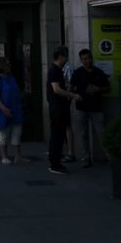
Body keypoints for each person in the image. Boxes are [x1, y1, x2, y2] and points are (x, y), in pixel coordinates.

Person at [72, 49, 111, 168]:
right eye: (85, 59)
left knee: (102, 132)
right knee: (82, 133)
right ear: (81, 60)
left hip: (96, 108)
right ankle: (86, 158)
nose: (88, 61)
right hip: (82, 107)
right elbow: (71, 87)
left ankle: (110, 157)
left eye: (89, 58)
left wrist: (97, 89)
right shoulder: (77, 73)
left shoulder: (99, 72)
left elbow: (108, 88)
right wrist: (78, 92)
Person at [46, 46, 81, 175]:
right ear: (60, 57)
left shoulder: (56, 70)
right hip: (58, 108)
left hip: (58, 107)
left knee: (58, 135)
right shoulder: (55, 70)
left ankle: (55, 161)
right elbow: (56, 89)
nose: (67, 59)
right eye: (65, 56)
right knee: (57, 135)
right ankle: (55, 163)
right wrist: (72, 95)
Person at [0, 56, 23, 165]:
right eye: (7, 64)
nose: (10, 66)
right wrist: (3, 109)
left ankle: (18, 155)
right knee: (4, 133)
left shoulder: (11, 77)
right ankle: (4, 156)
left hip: (15, 107)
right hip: (3, 109)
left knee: (17, 131)